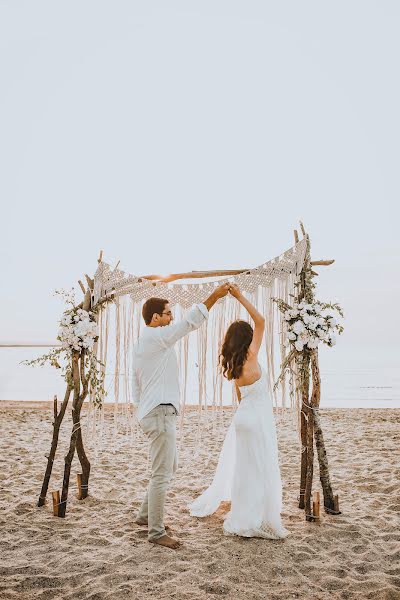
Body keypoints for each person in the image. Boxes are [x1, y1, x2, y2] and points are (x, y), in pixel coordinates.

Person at [133, 283, 230, 549]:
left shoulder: (144, 341)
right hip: (160, 412)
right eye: (167, 313)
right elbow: (189, 323)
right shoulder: (157, 336)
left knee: (168, 467)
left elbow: (136, 385)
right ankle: (155, 532)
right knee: (162, 474)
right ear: (156, 318)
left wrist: (140, 412)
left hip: (155, 412)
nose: (171, 316)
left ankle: (144, 516)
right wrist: (215, 297)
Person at [188, 284, 289, 539]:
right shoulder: (251, 355)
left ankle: (243, 513)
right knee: (259, 468)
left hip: (242, 418)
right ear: (248, 338)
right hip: (256, 419)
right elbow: (262, 320)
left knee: (244, 469)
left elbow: (240, 397)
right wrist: (240, 296)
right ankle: (252, 517)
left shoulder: (234, 363)